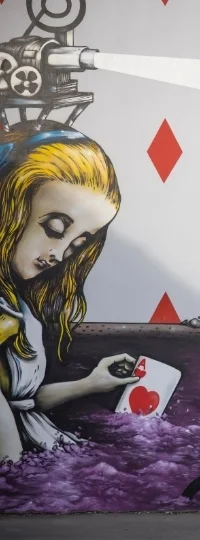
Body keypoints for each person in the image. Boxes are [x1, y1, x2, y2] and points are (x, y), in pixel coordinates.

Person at [0, 121, 139, 463]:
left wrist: (91, 383)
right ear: (9, 202)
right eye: (54, 228)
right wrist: (20, 474)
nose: (60, 256)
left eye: (77, 244)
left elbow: (23, 404)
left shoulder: (17, 305)